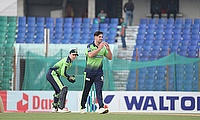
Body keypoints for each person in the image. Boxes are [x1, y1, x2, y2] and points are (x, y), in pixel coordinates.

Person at [80, 30, 112, 114]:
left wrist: (108, 50)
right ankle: (82, 107)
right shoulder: (90, 46)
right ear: (95, 37)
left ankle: (101, 107)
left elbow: (110, 57)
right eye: (99, 37)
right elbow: (90, 55)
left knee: (99, 90)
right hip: (89, 72)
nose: (101, 38)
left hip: (99, 73)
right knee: (86, 90)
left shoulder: (103, 48)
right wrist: (99, 48)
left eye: (102, 37)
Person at [46, 49, 78, 113]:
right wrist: (69, 77)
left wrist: (68, 77)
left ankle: (54, 108)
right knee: (64, 89)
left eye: (75, 55)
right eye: (73, 55)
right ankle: (61, 107)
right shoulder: (67, 61)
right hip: (53, 74)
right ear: (69, 54)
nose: (74, 56)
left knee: (58, 91)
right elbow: (63, 73)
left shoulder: (70, 61)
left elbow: (62, 72)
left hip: (53, 74)